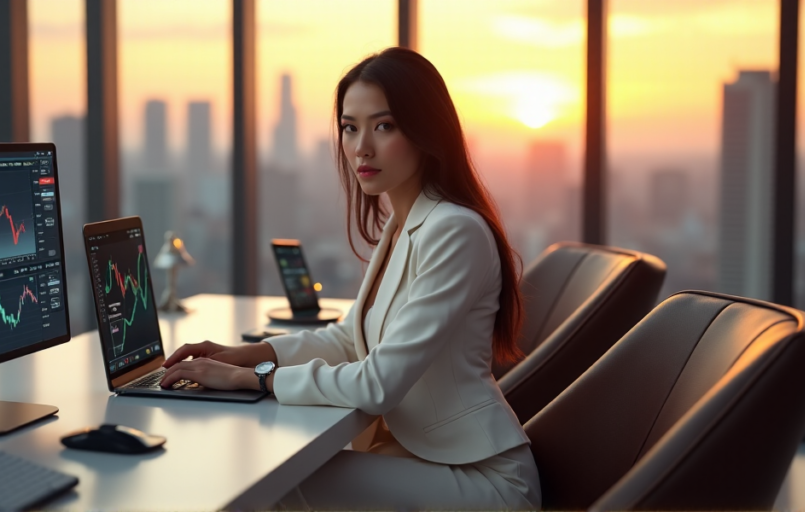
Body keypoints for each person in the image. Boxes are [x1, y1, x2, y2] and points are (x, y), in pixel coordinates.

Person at [160, 47, 541, 510]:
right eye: (349, 127)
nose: (362, 146)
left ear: (426, 132)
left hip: (483, 481)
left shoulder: (454, 231)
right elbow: (351, 339)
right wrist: (249, 354)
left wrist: (252, 379)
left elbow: (378, 383)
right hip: (420, 456)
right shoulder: (401, 224)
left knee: (275, 483)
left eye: (384, 126)